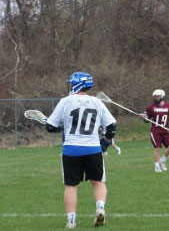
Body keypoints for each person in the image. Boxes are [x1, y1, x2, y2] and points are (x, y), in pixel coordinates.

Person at [45, 72, 117, 228]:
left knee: (71, 186)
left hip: (71, 150)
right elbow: (111, 127)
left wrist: (61, 128)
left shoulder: (66, 101)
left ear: (76, 84)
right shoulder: (97, 102)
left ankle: (71, 221)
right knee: (98, 182)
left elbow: (50, 126)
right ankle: (100, 209)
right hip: (93, 149)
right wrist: (105, 142)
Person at [141, 89, 169, 172]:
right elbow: (147, 120)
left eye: (157, 96)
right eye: (154, 97)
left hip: (166, 131)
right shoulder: (151, 107)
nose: (155, 98)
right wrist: (144, 118)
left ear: (162, 96)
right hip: (155, 131)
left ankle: (163, 160)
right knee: (157, 148)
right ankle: (157, 166)